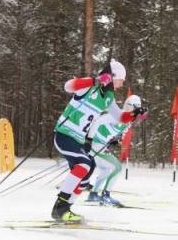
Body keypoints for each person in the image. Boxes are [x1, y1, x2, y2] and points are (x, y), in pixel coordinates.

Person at [51, 60, 147, 222]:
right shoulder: (89, 88)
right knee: (84, 165)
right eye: (120, 80)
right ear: (111, 77)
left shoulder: (108, 98)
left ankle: (66, 210)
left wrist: (135, 114)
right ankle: (59, 208)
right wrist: (94, 80)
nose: (121, 85)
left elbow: (120, 117)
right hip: (64, 135)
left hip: (78, 141)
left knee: (86, 174)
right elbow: (68, 86)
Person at [85, 95, 147, 207]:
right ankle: (105, 195)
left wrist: (112, 140)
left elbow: (112, 131)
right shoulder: (117, 115)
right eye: (135, 109)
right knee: (117, 168)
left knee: (105, 170)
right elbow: (98, 121)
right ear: (129, 107)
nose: (136, 113)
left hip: (101, 144)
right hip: (96, 144)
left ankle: (93, 194)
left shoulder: (127, 122)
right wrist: (89, 140)